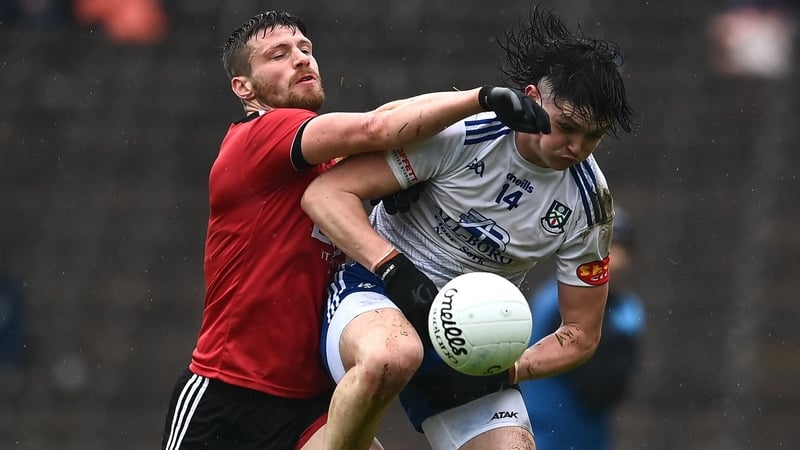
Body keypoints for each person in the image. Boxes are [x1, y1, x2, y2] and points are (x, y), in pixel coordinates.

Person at [159, 10, 545, 450]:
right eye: (278, 55)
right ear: (243, 87)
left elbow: (386, 118)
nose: (302, 60)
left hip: (309, 404)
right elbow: (378, 127)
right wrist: (481, 99)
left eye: (306, 49)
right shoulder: (259, 134)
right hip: (231, 393)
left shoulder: (328, 164)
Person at [301, 6, 635, 450]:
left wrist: (511, 369)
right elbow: (324, 194)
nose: (577, 146)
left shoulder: (590, 203)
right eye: (567, 127)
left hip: (474, 339)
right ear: (533, 97)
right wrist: (394, 270)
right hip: (377, 290)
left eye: (593, 136)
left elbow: (580, 334)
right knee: (392, 356)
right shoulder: (462, 132)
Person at [520, 207, 647, 450]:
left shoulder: (628, 310)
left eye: (621, 248)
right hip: (545, 433)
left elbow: (610, 384)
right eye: (607, 247)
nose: (614, 259)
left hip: (591, 436)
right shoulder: (557, 301)